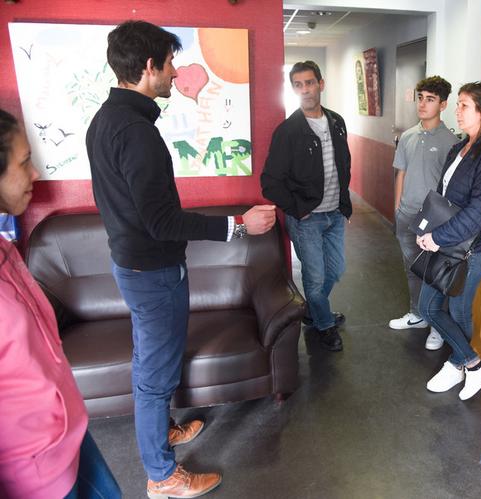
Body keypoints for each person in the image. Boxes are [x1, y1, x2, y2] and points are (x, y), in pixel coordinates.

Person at [86, 21, 276, 498]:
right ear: (150, 66)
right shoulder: (136, 132)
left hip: (133, 265)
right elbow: (162, 221)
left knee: (150, 365)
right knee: (154, 377)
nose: (175, 72)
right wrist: (238, 225)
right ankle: (162, 476)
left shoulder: (106, 119)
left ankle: (161, 432)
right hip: (152, 271)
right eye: (170, 63)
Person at [0, 109, 121, 498]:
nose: (35, 173)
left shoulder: (5, 249)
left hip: (68, 433)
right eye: (24, 162)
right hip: (28, 468)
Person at [417, 81, 481, 401]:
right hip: (446, 245)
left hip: (470, 251)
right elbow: (444, 198)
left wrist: (437, 237)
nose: (457, 111)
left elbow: (480, 213)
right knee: (428, 307)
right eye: (457, 104)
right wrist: (427, 228)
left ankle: (459, 365)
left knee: (458, 312)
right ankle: (472, 364)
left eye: (464, 105)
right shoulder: (459, 148)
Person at [261, 60, 351, 352]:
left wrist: (344, 204)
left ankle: (313, 311)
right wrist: (298, 209)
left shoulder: (336, 122)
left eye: (309, 83)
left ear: (320, 84)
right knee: (315, 279)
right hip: (306, 219)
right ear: (293, 89)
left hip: (335, 214)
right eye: (298, 85)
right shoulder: (288, 131)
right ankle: (324, 324)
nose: (305, 90)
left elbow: (343, 165)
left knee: (335, 270)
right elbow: (269, 182)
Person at [388, 76, 460, 351]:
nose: (422, 104)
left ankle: (437, 327)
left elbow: (450, 186)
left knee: (434, 273)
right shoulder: (407, 136)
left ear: (443, 105)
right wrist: (397, 209)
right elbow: (401, 174)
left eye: (430, 99)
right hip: (406, 215)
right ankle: (417, 314)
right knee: (411, 269)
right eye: (420, 98)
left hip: (433, 222)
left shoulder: (451, 142)